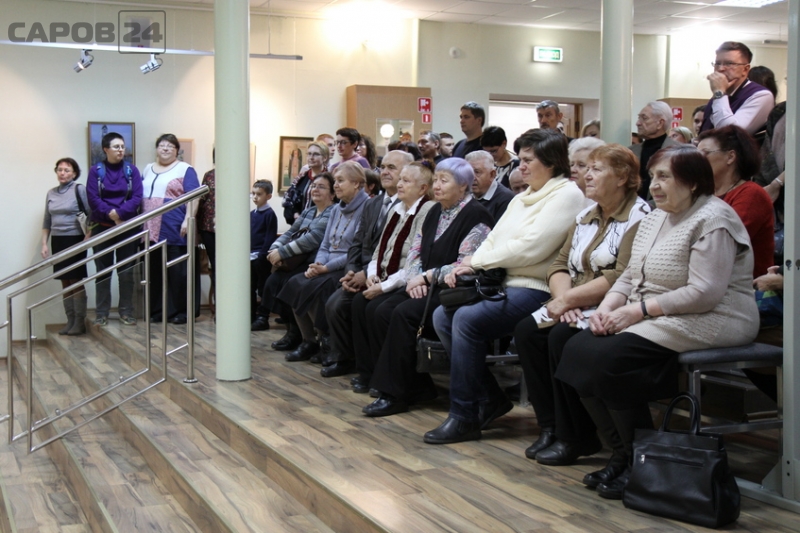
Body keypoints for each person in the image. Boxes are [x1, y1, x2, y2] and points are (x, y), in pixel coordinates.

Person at [555, 145, 759, 500]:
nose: (655, 186)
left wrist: (636, 311)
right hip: (656, 311)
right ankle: (623, 454)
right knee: (573, 348)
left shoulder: (714, 219)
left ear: (693, 182)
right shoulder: (654, 218)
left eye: (665, 177)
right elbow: (628, 275)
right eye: (653, 177)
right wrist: (607, 308)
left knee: (609, 359)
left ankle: (641, 461)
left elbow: (705, 293)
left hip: (714, 317)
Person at [422, 130, 586, 444]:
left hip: (539, 287)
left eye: (528, 160)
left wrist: (476, 261)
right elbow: (495, 239)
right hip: (504, 282)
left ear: (551, 162)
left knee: (466, 319)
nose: (520, 166)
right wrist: (469, 264)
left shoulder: (567, 194)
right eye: (520, 159)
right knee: (443, 316)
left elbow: (532, 248)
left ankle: (464, 415)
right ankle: (490, 398)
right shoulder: (522, 198)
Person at [513, 145, 649, 469]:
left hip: (611, 304)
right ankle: (550, 426)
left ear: (623, 178)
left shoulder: (639, 216)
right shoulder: (585, 215)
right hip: (572, 300)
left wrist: (569, 301)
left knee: (561, 338)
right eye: (585, 168)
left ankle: (576, 435)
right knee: (527, 332)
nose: (586, 175)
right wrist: (564, 300)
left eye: (596, 169)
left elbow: (621, 274)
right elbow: (559, 265)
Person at [362, 158, 495, 417]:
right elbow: (415, 251)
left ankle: (394, 394)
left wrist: (425, 279)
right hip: (422, 284)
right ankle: (415, 386)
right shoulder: (435, 210)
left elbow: (466, 263)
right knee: (380, 310)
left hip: (454, 289)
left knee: (403, 314)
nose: (437, 186)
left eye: (444, 181)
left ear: (463, 185)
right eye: (436, 180)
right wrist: (414, 278)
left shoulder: (477, 216)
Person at [323, 151, 413, 378]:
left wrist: (365, 274)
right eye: (383, 167)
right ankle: (346, 358)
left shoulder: (409, 205)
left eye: (392, 167)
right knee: (334, 303)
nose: (385, 172)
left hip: (386, 274)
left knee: (347, 304)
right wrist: (351, 270)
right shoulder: (373, 204)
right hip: (363, 270)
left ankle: (369, 367)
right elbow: (357, 242)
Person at [351, 162, 435, 391]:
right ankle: (368, 372)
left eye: (406, 181)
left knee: (378, 310)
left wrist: (384, 286)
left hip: (406, 279)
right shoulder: (396, 208)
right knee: (358, 303)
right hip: (384, 276)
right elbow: (380, 249)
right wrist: (372, 275)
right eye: (401, 179)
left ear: (422, 188)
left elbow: (415, 260)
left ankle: (385, 377)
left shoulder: (427, 210)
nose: (399, 184)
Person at [278, 162, 369, 362]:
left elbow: (356, 250)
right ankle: (308, 341)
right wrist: (317, 264)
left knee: (315, 288)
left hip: (347, 266)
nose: (336, 185)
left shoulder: (367, 208)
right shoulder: (336, 209)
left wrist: (326, 268)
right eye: (335, 181)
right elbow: (325, 244)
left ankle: (326, 342)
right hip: (325, 265)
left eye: (340, 181)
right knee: (295, 282)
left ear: (356, 183)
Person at [252, 173, 336, 339]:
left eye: (321, 187)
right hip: (295, 260)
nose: (315, 189)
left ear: (332, 194)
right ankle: (291, 329)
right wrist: (274, 249)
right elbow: (290, 232)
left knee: (288, 284)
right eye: (314, 186)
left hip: (314, 262)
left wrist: (282, 253)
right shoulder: (309, 211)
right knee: (272, 282)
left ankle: (302, 335)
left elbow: (313, 239)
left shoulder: (333, 211)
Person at [697, 125, 774, 277]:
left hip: (748, 285)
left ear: (731, 157)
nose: (697, 160)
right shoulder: (704, 192)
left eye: (705, 153)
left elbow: (722, 243)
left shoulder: (751, 194)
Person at [140, 134, 200, 325]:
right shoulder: (148, 169)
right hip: (150, 228)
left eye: (170, 146)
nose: (165, 149)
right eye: (162, 145)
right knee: (154, 272)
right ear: (156, 149)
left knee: (178, 272)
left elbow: (194, 196)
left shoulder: (185, 169)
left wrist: (188, 219)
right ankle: (158, 310)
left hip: (174, 226)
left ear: (177, 151)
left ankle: (183, 311)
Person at [86, 132, 144, 327]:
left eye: (122, 147)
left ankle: (126, 312)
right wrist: (111, 214)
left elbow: (137, 197)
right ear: (106, 149)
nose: (120, 150)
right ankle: (101, 313)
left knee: (126, 272)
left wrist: (119, 214)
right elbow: (93, 198)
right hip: (102, 229)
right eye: (116, 147)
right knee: (102, 273)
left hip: (127, 228)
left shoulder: (131, 170)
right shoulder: (96, 171)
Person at [41, 157, 90, 336]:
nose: (62, 173)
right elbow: (47, 219)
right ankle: (70, 320)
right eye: (60, 170)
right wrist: (44, 243)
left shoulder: (79, 189)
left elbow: (90, 213)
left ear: (74, 173)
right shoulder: (51, 193)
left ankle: (79, 322)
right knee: (64, 280)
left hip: (75, 239)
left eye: (67, 170)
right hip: (58, 240)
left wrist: (88, 236)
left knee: (75, 279)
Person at [698, 41, 774, 135]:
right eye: (717, 63)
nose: (720, 69)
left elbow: (729, 133)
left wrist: (719, 92)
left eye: (729, 64)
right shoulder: (719, 96)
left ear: (745, 69)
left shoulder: (761, 95)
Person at [630, 102, 680, 198]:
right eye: (639, 118)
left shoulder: (679, 152)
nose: (638, 123)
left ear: (660, 123)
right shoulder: (631, 151)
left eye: (644, 118)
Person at [249, 180, 278, 322]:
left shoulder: (269, 214)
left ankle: (263, 316)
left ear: (268, 196)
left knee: (262, 287)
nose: (255, 197)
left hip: (261, 257)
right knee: (250, 287)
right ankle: (250, 315)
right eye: (253, 193)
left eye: (259, 194)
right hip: (250, 256)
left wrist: (262, 255)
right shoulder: (251, 214)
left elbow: (269, 237)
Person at [282, 141, 330, 225]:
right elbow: (288, 200)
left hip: (321, 225)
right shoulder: (301, 178)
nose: (311, 157)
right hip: (299, 225)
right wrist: (295, 213)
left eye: (316, 154)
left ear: (325, 158)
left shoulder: (330, 180)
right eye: (309, 154)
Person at [466, 150, 514, 222]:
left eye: (477, 172)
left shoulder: (506, 199)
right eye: (469, 172)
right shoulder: (465, 194)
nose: (472, 177)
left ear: (492, 174)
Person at [197, 150, 217, 288]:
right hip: (208, 226)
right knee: (215, 263)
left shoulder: (237, 175)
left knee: (228, 264)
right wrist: (198, 230)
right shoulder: (209, 175)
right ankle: (218, 298)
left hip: (229, 228)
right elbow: (201, 200)